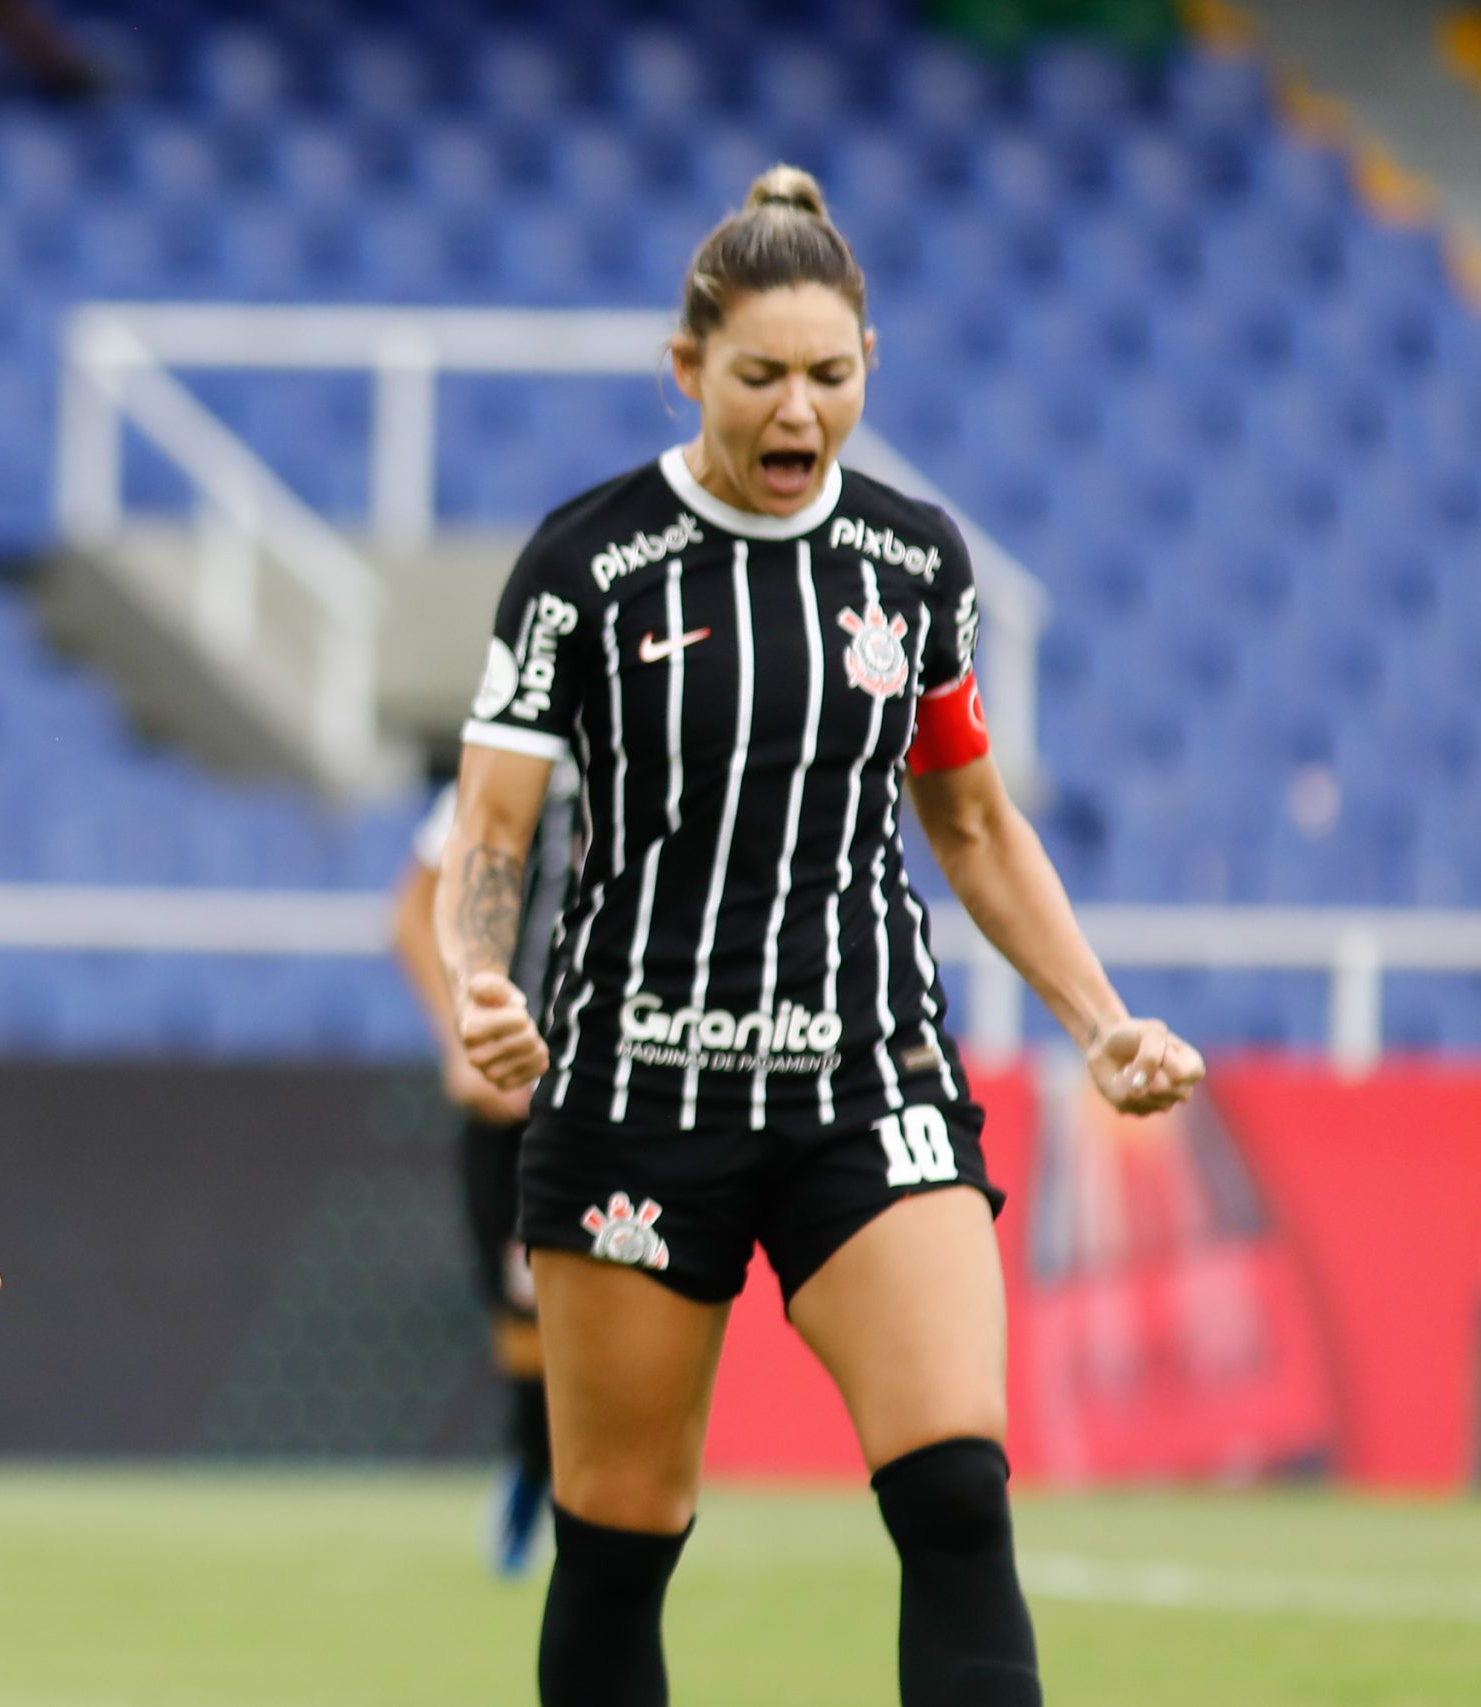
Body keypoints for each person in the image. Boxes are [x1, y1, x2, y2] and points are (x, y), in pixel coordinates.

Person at [431, 165, 1204, 1707]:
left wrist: (1098, 1017)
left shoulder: (917, 567)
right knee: (620, 1537)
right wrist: (477, 977)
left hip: (866, 1081)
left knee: (956, 1498)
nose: (799, 412)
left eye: (831, 376)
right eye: (762, 376)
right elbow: (493, 830)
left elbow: (972, 822)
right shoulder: (584, 566)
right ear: (686, 371)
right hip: (640, 1096)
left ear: (870, 368)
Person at [390, 764, 576, 1575]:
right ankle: (536, 1459)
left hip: (622, 1094)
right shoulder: (508, 761)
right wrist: (462, 1038)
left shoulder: (664, 748)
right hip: (510, 1103)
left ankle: (585, 1484)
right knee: (520, 1319)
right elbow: (412, 912)